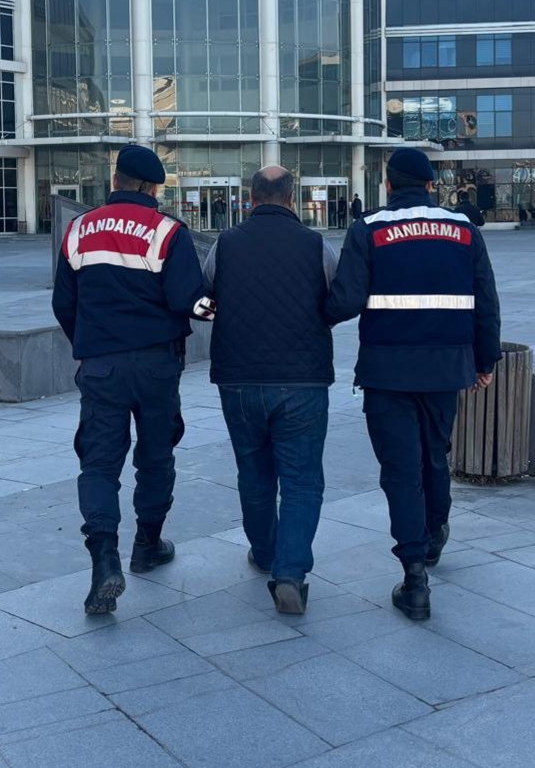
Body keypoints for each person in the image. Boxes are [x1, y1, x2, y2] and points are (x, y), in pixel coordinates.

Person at [326, 148, 502, 621]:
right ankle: (435, 532)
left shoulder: (369, 229)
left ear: (387, 185)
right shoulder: (464, 230)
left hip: (388, 372)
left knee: (400, 470)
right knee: (435, 455)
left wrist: (302, 316)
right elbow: (486, 301)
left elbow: (343, 301)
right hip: (446, 369)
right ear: (430, 185)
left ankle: (414, 576)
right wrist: (485, 360)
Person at [52, 144, 210, 615]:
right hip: (158, 365)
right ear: (153, 187)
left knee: (98, 463)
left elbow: (64, 303)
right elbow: (190, 301)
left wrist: (91, 339)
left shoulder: (79, 229)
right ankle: (148, 544)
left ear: (116, 180)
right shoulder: (167, 232)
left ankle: (104, 559)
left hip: (101, 364)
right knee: (156, 457)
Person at [202, 165, 338, 615]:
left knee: (254, 473)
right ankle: (290, 574)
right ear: (292, 198)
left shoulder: (224, 244)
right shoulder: (318, 246)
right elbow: (338, 297)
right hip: (303, 380)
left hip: (238, 379)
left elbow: (203, 293)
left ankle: (264, 553)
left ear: (251, 198)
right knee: (301, 480)